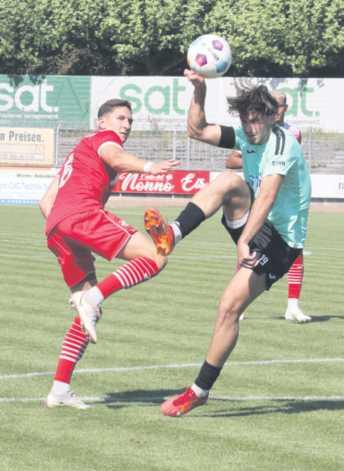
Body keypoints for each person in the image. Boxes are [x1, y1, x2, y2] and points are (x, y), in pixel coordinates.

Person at [143, 70, 311, 417]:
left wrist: (244, 240)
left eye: (255, 119)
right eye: (245, 120)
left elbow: (268, 195)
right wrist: (199, 91)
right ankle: (172, 234)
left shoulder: (283, 144)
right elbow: (197, 130)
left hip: (280, 242)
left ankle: (199, 391)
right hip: (255, 224)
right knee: (227, 180)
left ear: (271, 116)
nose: (249, 127)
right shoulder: (246, 136)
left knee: (228, 307)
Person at [39, 98, 179, 409]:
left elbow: (45, 202)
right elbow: (115, 157)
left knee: (88, 315)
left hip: (58, 229)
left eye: (130, 120)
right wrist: (149, 167)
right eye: (120, 118)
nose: (126, 125)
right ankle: (93, 297)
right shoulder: (105, 139)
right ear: (102, 122)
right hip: (82, 215)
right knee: (156, 257)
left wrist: (69, 233)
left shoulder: (78, 152)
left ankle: (59, 389)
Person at [225, 90, 310, 323]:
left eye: (281, 105)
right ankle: (239, 304)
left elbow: (288, 163)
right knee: (249, 249)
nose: (277, 109)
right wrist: (256, 158)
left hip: (284, 202)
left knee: (295, 250)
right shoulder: (250, 131)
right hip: (262, 199)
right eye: (274, 105)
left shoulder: (293, 133)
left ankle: (293, 305)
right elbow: (231, 160)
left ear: (284, 108)